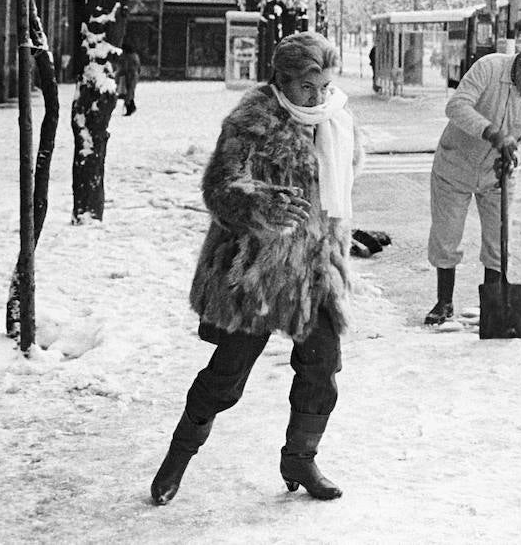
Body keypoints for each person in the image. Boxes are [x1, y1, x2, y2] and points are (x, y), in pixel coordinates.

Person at [150, 32, 362, 506]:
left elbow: (345, 175)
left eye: (325, 85)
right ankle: (178, 455)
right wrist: (261, 203)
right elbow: (220, 187)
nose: (319, 95)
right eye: (309, 87)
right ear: (281, 80)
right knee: (226, 377)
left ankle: (300, 458)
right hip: (256, 271)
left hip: (313, 268)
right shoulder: (252, 121)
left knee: (322, 367)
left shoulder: (336, 118)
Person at [423, 38, 521, 325]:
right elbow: (456, 106)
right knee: (447, 236)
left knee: (499, 241)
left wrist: (516, 157)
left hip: (498, 174)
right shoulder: (489, 68)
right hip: (455, 166)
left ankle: (494, 306)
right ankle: (444, 302)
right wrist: (491, 133)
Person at [117, 45, 141, 116]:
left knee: (128, 92)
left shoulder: (128, 57)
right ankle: (131, 106)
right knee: (130, 91)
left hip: (130, 75)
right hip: (133, 75)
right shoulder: (134, 56)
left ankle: (130, 108)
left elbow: (126, 67)